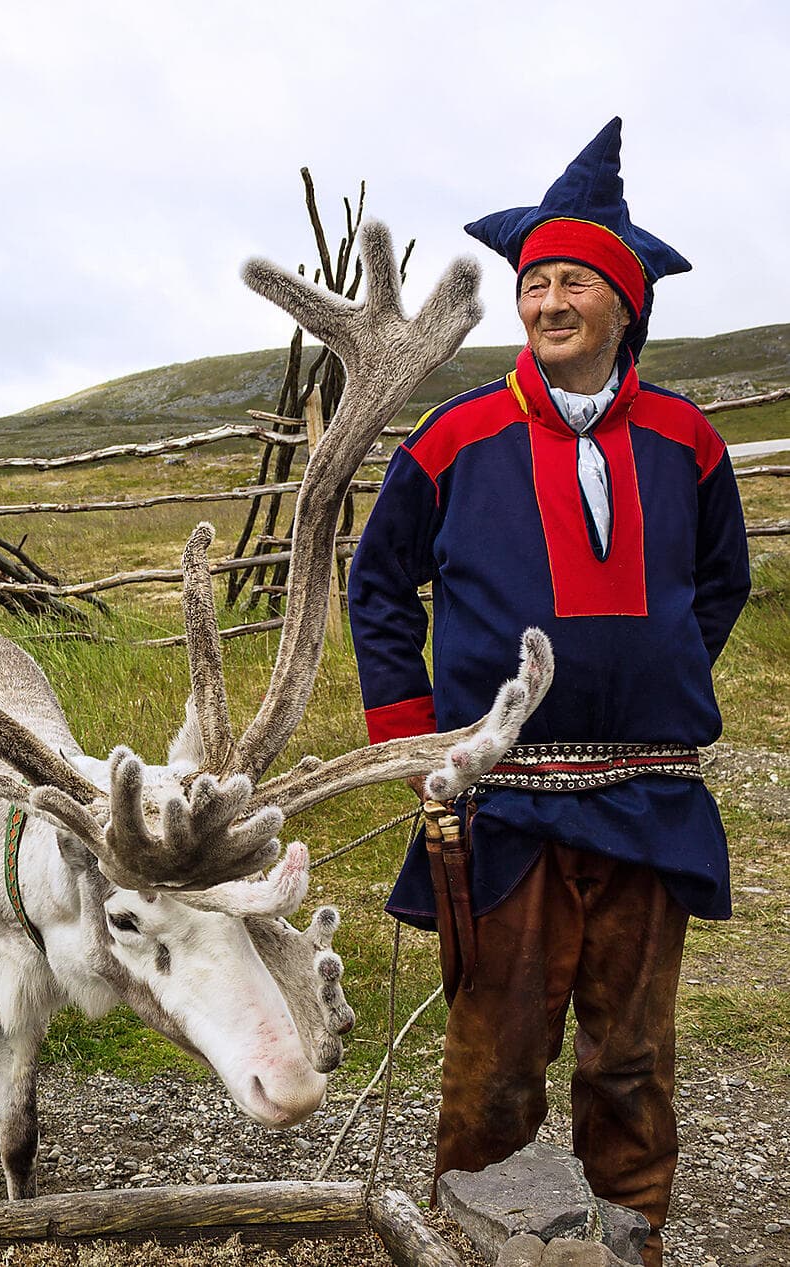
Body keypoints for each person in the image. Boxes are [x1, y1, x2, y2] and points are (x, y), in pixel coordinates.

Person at [345, 118, 750, 1267]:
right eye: (534, 282)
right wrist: (414, 736)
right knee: (493, 1066)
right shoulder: (455, 438)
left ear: (624, 303)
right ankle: (484, 1249)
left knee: (630, 1064)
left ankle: (630, 1247)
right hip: (504, 803)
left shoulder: (687, 443)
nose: (545, 301)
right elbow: (380, 586)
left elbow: (719, 583)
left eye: (573, 279)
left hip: (644, 804)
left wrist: (657, 670)